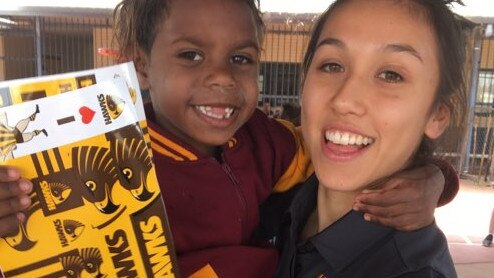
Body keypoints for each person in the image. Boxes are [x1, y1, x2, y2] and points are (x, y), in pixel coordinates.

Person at [0, 0, 458, 277]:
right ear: (141, 66)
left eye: (241, 58)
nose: (220, 76)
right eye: (191, 55)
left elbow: (340, 147)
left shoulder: (266, 143)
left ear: (438, 112)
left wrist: (432, 176)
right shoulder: (99, 155)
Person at [259, 0, 466, 277]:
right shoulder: (267, 188)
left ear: (438, 115)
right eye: (331, 65)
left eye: (391, 75)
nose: (345, 100)